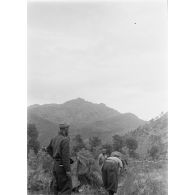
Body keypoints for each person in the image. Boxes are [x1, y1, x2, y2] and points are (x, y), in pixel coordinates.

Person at [47, 123, 72, 195]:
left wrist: (55, 157)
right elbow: (65, 157)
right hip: (62, 166)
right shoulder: (65, 140)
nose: (68, 131)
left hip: (55, 165)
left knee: (56, 186)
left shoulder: (54, 138)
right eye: (68, 129)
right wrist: (68, 170)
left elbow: (48, 149)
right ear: (65, 129)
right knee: (66, 187)